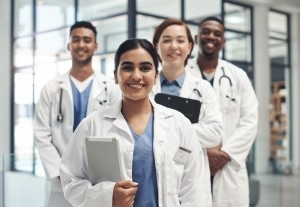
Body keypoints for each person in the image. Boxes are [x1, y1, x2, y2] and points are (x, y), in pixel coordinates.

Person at [59, 38, 206, 206]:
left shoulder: (179, 125)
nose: (136, 76)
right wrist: (107, 196)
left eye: (145, 68)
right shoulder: (92, 125)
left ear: (156, 75)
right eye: (128, 67)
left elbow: (194, 190)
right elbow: (70, 180)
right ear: (116, 75)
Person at [34, 21, 121, 207]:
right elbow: (41, 134)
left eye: (87, 40)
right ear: (69, 45)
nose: (81, 44)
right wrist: (58, 172)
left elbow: (117, 130)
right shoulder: (51, 89)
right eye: (76, 40)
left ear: (95, 45)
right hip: (59, 180)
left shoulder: (110, 88)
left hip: (98, 179)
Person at [187, 16, 259, 207]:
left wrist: (224, 154)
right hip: (193, 162)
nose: (211, 36)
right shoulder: (183, 75)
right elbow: (176, 123)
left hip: (228, 165)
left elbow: (250, 121)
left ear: (223, 42)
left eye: (217, 34)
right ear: (196, 38)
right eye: (206, 32)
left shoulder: (238, 76)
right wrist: (206, 152)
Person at [151, 18, 223, 207]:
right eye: (166, 40)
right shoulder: (145, 86)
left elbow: (215, 133)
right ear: (156, 45)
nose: (174, 46)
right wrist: (189, 131)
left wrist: (168, 127)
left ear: (190, 46)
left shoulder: (202, 89)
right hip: (150, 173)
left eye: (180, 40)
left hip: (190, 174)